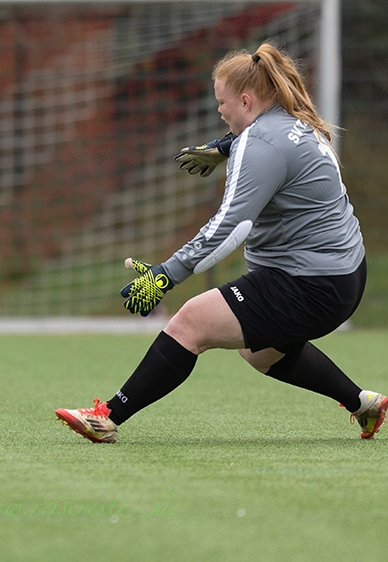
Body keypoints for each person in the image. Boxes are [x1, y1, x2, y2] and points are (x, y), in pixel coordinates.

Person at [55, 42, 386, 443]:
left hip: (310, 282)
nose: (220, 111)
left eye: (222, 102)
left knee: (191, 321)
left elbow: (229, 226)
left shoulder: (259, 143)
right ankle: (363, 404)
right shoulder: (294, 120)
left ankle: (106, 417)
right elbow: (275, 147)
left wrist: (164, 276)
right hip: (342, 276)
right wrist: (225, 146)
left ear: (245, 100)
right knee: (260, 351)